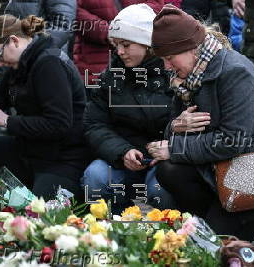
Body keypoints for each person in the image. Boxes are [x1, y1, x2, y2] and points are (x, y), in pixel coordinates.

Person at [146, 5, 254, 241]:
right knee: (169, 171)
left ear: (191, 48)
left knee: (212, 244)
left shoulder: (235, 72)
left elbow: (232, 141)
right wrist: (176, 127)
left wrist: (174, 148)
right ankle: (208, 218)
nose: (166, 66)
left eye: (169, 58)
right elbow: (176, 130)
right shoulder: (189, 75)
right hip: (220, 168)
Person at [0, 14, 90, 201]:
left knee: (39, 213)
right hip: (29, 148)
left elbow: (58, 124)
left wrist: (7, 120)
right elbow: (0, 91)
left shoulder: (49, 64)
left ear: (14, 41)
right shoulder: (21, 63)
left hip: (62, 158)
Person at [82, 4, 175, 214]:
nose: (120, 52)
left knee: (160, 189)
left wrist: (168, 148)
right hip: (123, 157)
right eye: (116, 45)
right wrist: (122, 152)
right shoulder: (110, 76)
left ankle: (171, 238)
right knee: (95, 177)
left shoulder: (173, 72)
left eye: (126, 44)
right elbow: (94, 124)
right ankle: (110, 231)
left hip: (164, 160)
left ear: (147, 44)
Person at [72, 0, 164, 85]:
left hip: (141, 57)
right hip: (94, 59)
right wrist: (107, 31)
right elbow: (73, 11)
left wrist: (127, 27)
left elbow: (155, 5)